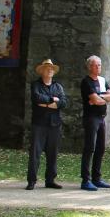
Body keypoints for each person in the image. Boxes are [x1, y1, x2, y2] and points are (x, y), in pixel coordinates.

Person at [27, 59, 67, 190]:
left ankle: (50, 180)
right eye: (47, 68)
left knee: (52, 153)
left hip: (54, 124)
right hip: (39, 123)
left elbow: (63, 102)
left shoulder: (58, 87)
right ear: (42, 71)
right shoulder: (36, 85)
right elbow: (37, 98)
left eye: (51, 69)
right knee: (35, 153)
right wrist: (52, 100)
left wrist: (48, 104)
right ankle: (32, 180)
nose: (49, 70)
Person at [79, 55, 110, 191]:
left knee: (100, 148)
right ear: (89, 67)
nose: (98, 67)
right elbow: (94, 100)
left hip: (101, 117)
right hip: (91, 118)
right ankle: (85, 180)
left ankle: (96, 178)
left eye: (99, 65)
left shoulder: (102, 80)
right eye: (95, 65)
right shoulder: (86, 82)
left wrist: (101, 96)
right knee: (90, 148)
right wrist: (102, 97)